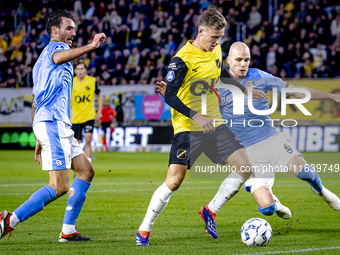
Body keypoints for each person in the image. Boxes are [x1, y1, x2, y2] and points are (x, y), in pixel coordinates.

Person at [154, 42, 340, 223]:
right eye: (238, 60)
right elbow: (198, 108)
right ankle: (274, 202)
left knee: (305, 173)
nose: (243, 64)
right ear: (227, 61)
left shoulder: (260, 76)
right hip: (247, 151)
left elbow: (295, 91)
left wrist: (330, 96)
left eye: (246, 60)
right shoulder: (214, 83)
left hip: (271, 139)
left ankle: (321, 190)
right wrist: (171, 96)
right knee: (267, 209)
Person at [136, 8, 268, 246]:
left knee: (246, 167)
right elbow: (170, 97)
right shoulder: (182, 59)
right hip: (188, 126)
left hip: (215, 123)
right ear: (201, 31)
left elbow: (221, 76)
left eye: (220, 38)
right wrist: (196, 116)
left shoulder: (216, 50)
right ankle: (144, 229)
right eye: (214, 37)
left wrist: (246, 90)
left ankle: (210, 209)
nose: (218, 42)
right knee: (174, 181)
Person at [0, 9, 107, 242]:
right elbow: (60, 58)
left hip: (53, 123)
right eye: (68, 28)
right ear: (54, 30)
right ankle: (8, 221)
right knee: (59, 186)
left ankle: (68, 230)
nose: (73, 32)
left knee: (86, 171)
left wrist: (37, 135)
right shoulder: (56, 49)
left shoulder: (39, 63)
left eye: (75, 29)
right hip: (53, 123)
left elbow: (35, 99)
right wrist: (90, 47)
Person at [71, 59, 103, 163]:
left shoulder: (92, 81)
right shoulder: (71, 82)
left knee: (88, 139)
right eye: (78, 69)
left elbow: (99, 96)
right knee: (76, 143)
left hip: (89, 115)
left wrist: (99, 112)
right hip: (76, 117)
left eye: (82, 68)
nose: (80, 71)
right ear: (75, 71)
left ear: (86, 70)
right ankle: (79, 165)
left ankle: (88, 165)